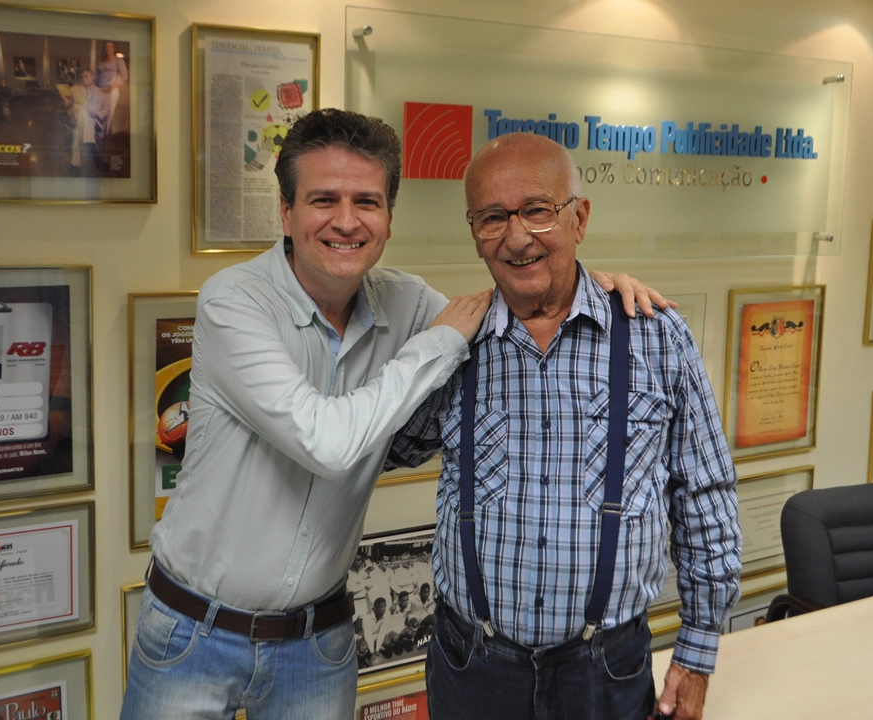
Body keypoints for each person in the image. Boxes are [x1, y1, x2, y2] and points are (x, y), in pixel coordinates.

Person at [119, 109, 667, 720]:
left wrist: (594, 288)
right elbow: (326, 440)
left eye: (367, 202)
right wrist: (436, 345)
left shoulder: (405, 301)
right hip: (194, 633)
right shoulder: (233, 302)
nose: (346, 221)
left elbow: (513, 306)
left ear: (388, 217)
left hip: (316, 642)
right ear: (286, 212)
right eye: (323, 199)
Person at [388, 132, 742, 720]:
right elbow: (383, 447)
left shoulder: (656, 337)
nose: (518, 236)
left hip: (605, 668)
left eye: (538, 211)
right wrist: (419, 347)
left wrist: (698, 650)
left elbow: (704, 496)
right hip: (472, 666)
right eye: (493, 217)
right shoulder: (453, 346)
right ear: (474, 234)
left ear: (579, 218)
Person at [61, 68, 108, 174]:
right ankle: (94, 154)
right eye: (82, 77)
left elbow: (106, 109)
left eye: (86, 76)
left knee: (82, 115)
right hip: (77, 121)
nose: (83, 78)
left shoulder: (101, 92)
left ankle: (74, 166)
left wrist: (97, 114)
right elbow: (67, 106)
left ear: (93, 77)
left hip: (94, 122)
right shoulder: (74, 89)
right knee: (79, 125)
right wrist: (65, 99)